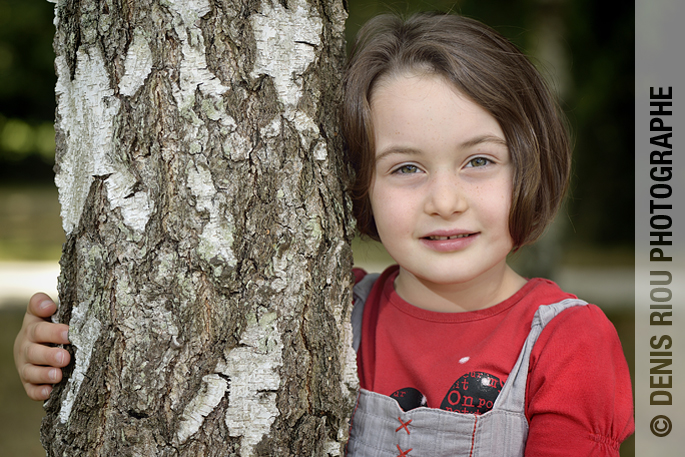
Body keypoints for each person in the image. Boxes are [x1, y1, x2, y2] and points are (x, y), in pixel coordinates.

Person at [15, 11, 633, 456]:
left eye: (478, 160)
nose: (446, 201)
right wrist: (58, 350)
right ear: (358, 186)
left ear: (531, 161)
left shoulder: (569, 342)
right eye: (407, 168)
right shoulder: (330, 306)